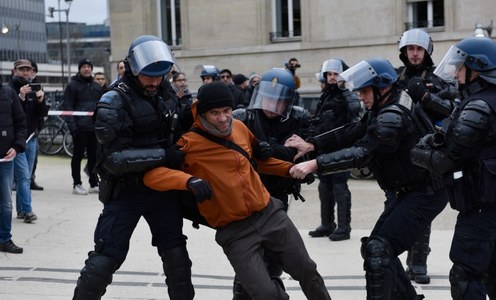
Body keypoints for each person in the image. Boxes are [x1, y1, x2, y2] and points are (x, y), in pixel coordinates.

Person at [143, 81, 331, 300]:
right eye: (214, 113)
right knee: (264, 293)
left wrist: (290, 170)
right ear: (202, 113)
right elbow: (152, 176)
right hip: (235, 232)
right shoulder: (189, 143)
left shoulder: (240, 128)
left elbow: (258, 161)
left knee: (307, 271)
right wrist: (188, 180)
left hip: (270, 214)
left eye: (226, 111)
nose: (223, 118)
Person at [288, 57, 449, 299]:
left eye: (364, 91)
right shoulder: (386, 104)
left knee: (378, 251)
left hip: (425, 192)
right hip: (409, 189)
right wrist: (314, 144)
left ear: (382, 87)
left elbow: (362, 154)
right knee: (377, 250)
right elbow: (355, 130)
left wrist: (314, 165)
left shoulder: (391, 116)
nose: (361, 97)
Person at [72, 35, 195, 299]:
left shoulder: (166, 92)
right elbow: (113, 159)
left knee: (177, 258)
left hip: (163, 190)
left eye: (160, 76)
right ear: (133, 69)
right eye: (149, 76)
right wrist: (165, 155)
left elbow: (181, 126)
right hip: (126, 191)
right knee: (105, 258)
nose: (154, 81)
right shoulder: (114, 100)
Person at [410, 37, 496, 299]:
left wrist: (418, 152)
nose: (455, 73)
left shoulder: (478, 105)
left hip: (482, 198)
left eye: (460, 66)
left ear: (476, 68)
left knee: (465, 272)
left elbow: (447, 159)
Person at [231, 68, 312, 299]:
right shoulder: (242, 117)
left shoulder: (299, 118)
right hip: (246, 194)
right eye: (267, 98)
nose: (271, 104)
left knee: (274, 253)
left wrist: (274, 151)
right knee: (247, 255)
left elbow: (302, 155)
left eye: (278, 101)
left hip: (277, 194)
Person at [395, 28, 457, 285]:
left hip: (427, 150)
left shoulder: (438, 78)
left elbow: (450, 109)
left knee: (422, 209)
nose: (414, 53)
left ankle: (418, 262)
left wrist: (425, 95)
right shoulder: (395, 77)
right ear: (404, 52)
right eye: (410, 49)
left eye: (418, 49)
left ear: (426, 51)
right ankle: (391, 259)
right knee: (396, 207)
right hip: (399, 151)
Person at [304, 58, 361, 242]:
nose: (332, 77)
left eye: (335, 74)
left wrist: (345, 89)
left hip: (340, 146)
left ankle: (344, 228)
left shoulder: (346, 94)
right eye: (329, 74)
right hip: (323, 147)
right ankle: (327, 224)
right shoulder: (326, 94)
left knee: (339, 186)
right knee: (324, 186)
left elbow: (355, 112)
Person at [9, 59, 48, 223]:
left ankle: (21, 211)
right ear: (14, 71)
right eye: (22, 69)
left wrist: (40, 100)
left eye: (28, 70)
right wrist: (21, 96)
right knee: (24, 177)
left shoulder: (35, 87)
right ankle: (27, 210)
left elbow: (42, 113)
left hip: (31, 138)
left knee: (26, 176)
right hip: (17, 141)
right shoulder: (9, 89)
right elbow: (12, 114)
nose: (25, 73)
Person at [63, 58, 103, 195]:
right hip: (79, 128)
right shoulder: (72, 86)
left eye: (88, 66)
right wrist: (73, 127)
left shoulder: (97, 86)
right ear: (79, 69)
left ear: (91, 69)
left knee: (94, 157)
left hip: (94, 129)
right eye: (83, 66)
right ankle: (77, 184)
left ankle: (93, 183)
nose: (86, 69)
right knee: (77, 157)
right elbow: (68, 107)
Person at [0, 80, 27, 253]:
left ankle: (4, 239)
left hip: (5, 159)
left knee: (6, 203)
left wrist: (17, 146)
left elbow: (21, 123)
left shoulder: (9, 93)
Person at [28, 60, 44, 191]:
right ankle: (18, 180)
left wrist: (40, 100)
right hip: (21, 128)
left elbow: (42, 110)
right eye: (29, 70)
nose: (30, 73)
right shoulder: (17, 86)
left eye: (33, 70)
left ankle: (31, 179)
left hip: (35, 127)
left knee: (34, 157)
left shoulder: (38, 85)